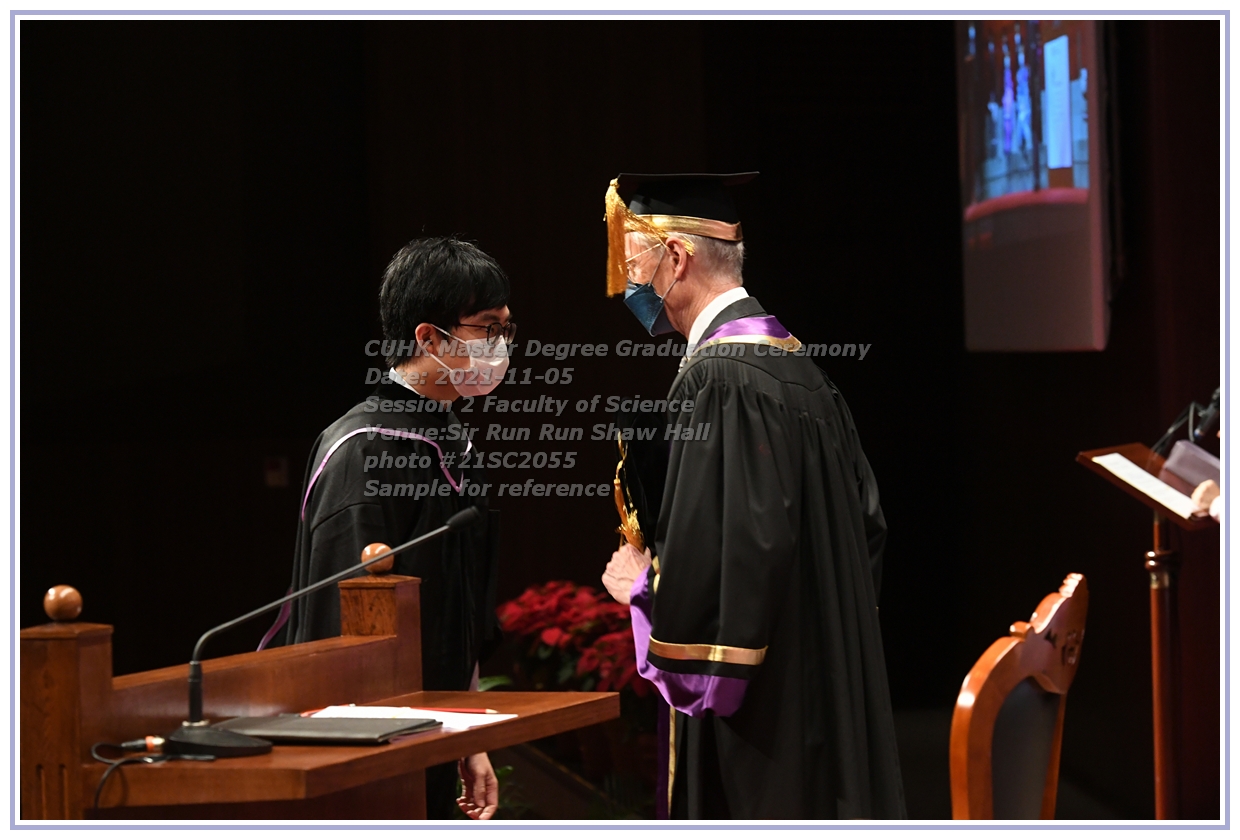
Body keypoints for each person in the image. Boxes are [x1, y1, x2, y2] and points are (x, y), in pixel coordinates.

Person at [599, 173, 906, 819]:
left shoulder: (721, 379)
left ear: (676, 256)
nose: (630, 285)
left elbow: (734, 560)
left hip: (765, 727)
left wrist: (646, 589)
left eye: (633, 265)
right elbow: (868, 526)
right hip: (820, 686)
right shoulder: (796, 365)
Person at [272, 237, 515, 819]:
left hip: (429, 729)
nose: (501, 345)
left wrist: (467, 732)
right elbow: (342, 625)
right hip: (368, 743)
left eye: (507, 328)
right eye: (487, 328)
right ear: (428, 338)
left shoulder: (450, 441)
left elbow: (459, 609)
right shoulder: (365, 450)